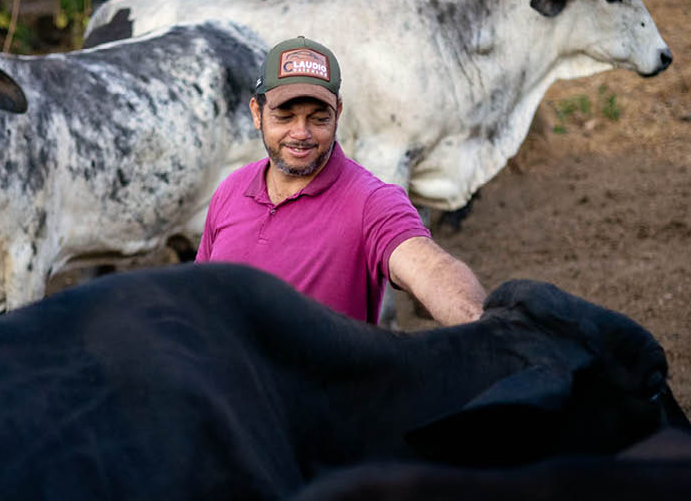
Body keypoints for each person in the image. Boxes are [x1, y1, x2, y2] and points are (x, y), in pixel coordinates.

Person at [195, 35, 486, 326]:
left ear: (338, 113)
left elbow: (430, 267)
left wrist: (481, 325)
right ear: (257, 113)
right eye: (284, 116)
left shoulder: (372, 202)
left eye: (319, 118)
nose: (301, 133)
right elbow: (199, 295)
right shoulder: (232, 189)